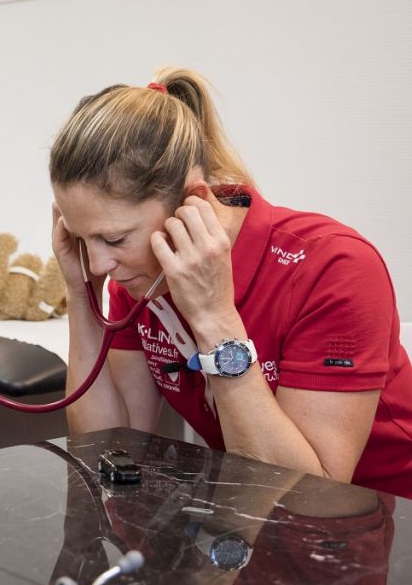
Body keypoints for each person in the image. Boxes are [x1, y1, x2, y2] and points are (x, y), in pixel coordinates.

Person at [48, 67, 412, 498]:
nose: (99, 262)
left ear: (193, 204)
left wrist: (213, 317)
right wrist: (79, 291)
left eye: (112, 238)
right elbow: (109, 443)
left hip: (384, 521)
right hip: (256, 513)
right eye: (81, 238)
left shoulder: (335, 268)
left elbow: (312, 495)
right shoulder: (137, 274)